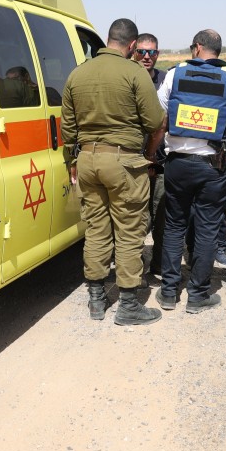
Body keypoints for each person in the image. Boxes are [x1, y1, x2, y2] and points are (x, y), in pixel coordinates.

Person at [61, 18, 166, 326]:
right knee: (129, 231)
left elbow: (67, 125)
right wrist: (148, 155)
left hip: (87, 161)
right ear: (132, 45)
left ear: (108, 39)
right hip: (123, 162)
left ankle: (96, 300)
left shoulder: (77, 73)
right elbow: (154, 121)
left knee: (95, 230)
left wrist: (71, 160)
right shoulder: (134, 72)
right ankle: (129, 305)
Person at [155, 29, 226, 314]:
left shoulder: (174, 75)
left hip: (177, 164)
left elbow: (159, 118)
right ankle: (198, 295)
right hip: (214, 167)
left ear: (197, 48)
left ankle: (168, 293)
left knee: (175, 226)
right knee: (207, 229)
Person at [133, 33, 167, 282]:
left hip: (162, 161)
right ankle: (135, 270)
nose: (147, 57)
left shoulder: (167, 80)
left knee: (163, 217)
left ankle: (158, 265)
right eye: (142, 51)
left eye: (152, 52)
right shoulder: (128, 78)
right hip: (135, 161)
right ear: (134, 51)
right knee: (137, 221)